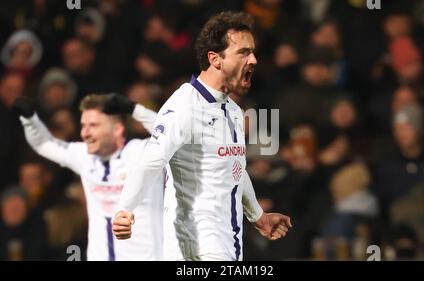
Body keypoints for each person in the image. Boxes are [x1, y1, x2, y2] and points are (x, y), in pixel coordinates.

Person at [113, 11, 292, 261]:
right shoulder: (184, 106)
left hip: (227, 243)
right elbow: (151, 162)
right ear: (215, 59)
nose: (253, 59)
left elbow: (235, 168)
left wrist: (259, 217)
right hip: (196, 247)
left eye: (253, 52)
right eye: (243, 52)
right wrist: (125, 209)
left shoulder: (233, 111)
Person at [12, 94, 161, 261]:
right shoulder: (83, 156)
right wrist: (30, 119)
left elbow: (173, 137)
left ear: (117, 129)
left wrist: (134, 109)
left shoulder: (142, 153)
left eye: (94, 125)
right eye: (83, 125)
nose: (85, 133)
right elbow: (43, 144)